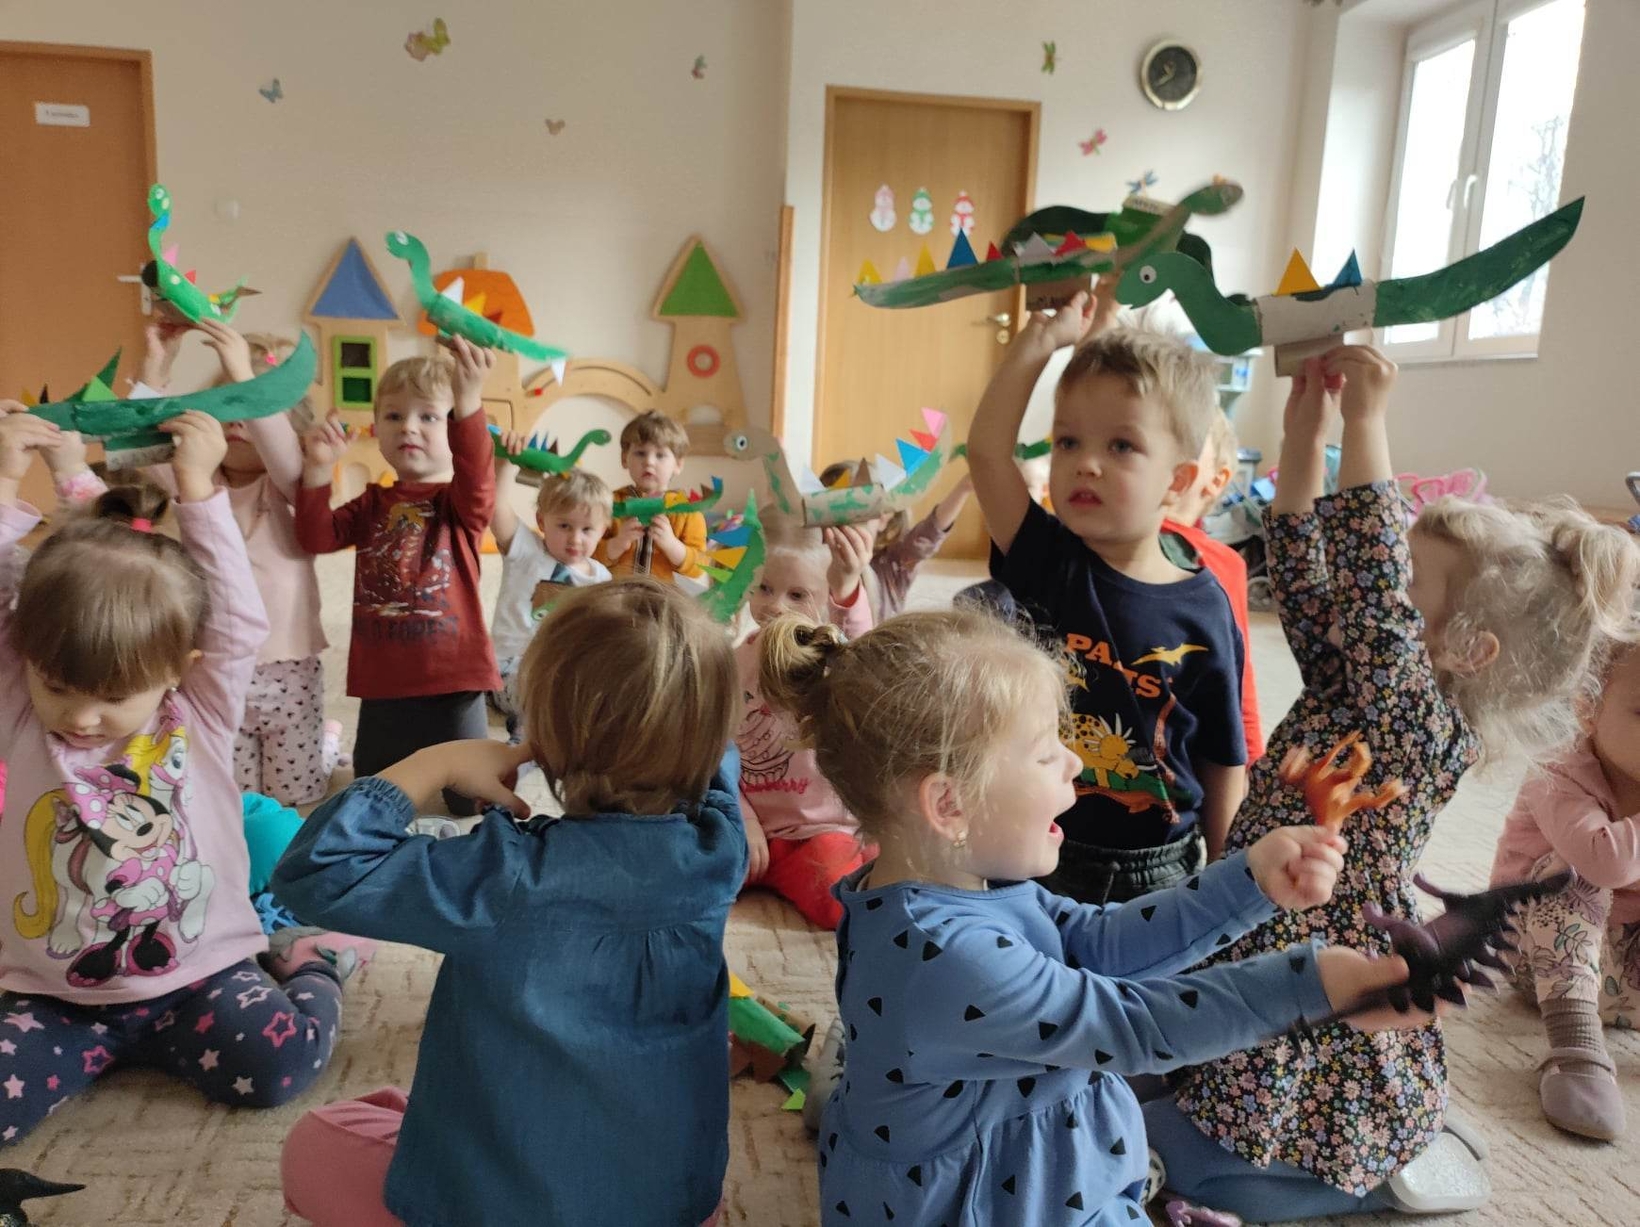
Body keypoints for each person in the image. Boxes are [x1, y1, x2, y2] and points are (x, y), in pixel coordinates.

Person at [1147, 346, 1640, 1219]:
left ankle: (1352, 1174)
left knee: (1236, 1112)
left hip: (1320, 936)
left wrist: (1366, 419)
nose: (1372, 598)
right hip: (1272, 898)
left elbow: (1370, 587)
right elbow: (1306, 575)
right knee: (1197, 1045)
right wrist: (1306, 434)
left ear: (1466, 649)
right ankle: (1373, 1138)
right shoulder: (1359, 682)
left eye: (1411, 589)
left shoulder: (1417, 721)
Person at [754, 606, 1442, 1227]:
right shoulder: (943, 954)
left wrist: (1249, 881)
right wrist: (1310, 986)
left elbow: (1099, 943)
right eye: (1043, 751)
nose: (1074, 760)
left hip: (1031, 1165)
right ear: (949, 805)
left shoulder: (958, 880)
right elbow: (1134, 1025)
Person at [276, 579, 743, 1227]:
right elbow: (718, 757)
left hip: (500, 1209)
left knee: (317, 1143)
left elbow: (314, 869)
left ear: (542, 737)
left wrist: (434, 763)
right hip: (674, 1208)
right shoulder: (720, 847)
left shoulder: (503, 873)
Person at [0, 409, 368, 1149]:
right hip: (52, 995)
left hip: (198, 978)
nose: (81, 716)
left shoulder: (198, 709)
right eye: (58, 686)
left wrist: (199, 492)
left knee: (281, 1067)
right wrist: (5, 482)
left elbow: (236, 622)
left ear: (178, 669)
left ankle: (312, 960)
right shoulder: (18, 706)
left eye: (112, 695)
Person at [967, 292, 1247, 897]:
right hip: (1032, 843)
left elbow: (1223, 756)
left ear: (1177, 481)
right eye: (1067, 442)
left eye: (1120, 446)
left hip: (1158, 866)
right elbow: (987, 452)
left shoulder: (1205, 609)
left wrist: (1228, 880)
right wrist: (1039, 343)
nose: (1085, 464)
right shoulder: (1044, 557)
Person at [296, 338, 499, 815]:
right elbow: (315, 537)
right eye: (393, 415)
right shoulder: (370, 503)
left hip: (454, 680)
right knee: (373, 798)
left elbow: (477, 471)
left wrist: (468, 399)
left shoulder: (461, 502)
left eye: (428, 416)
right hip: (384, 681)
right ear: (377, 429)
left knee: (470, 803)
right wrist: (318, 470)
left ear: (452, 428)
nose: (408, 426)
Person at [1491, 636, 1640, 1141]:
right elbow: (1605, 860)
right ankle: (1576, 1052)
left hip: (1626, 976)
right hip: (1542, 965)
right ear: (1587, 709)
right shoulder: (1555, 770)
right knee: (1572, 873)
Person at [736, 519, 873, 929]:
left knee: (847, 899)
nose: (775, 605)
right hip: (751, 831)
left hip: (821, 831)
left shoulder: (832, 657)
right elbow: (711, 752)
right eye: (764, 588)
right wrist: (743, 820)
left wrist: (846, 588)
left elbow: (864, 664)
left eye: (797, 594)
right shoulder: (734, 661)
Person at [488, 433, 611, 739]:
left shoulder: (601, 578)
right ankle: (524, 741)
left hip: (563, 669)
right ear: (542, 521)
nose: (575, 538)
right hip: (511, 667)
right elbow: (494, 506)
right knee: (543, 693)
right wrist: (504, 461)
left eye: (587, 529)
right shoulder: (526, 550)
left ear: (603, 530)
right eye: (564, 526)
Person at [597, 410, 707, 582]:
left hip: (661, 594)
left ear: (678, 464)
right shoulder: (609, 504)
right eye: (640, 453)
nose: (649, 461)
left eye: (660, 455)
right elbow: (587, 553)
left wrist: (671, 544)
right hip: (615, 590)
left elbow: (700, 566)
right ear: (624, 459)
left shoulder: (687, 511)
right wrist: (618, 543)